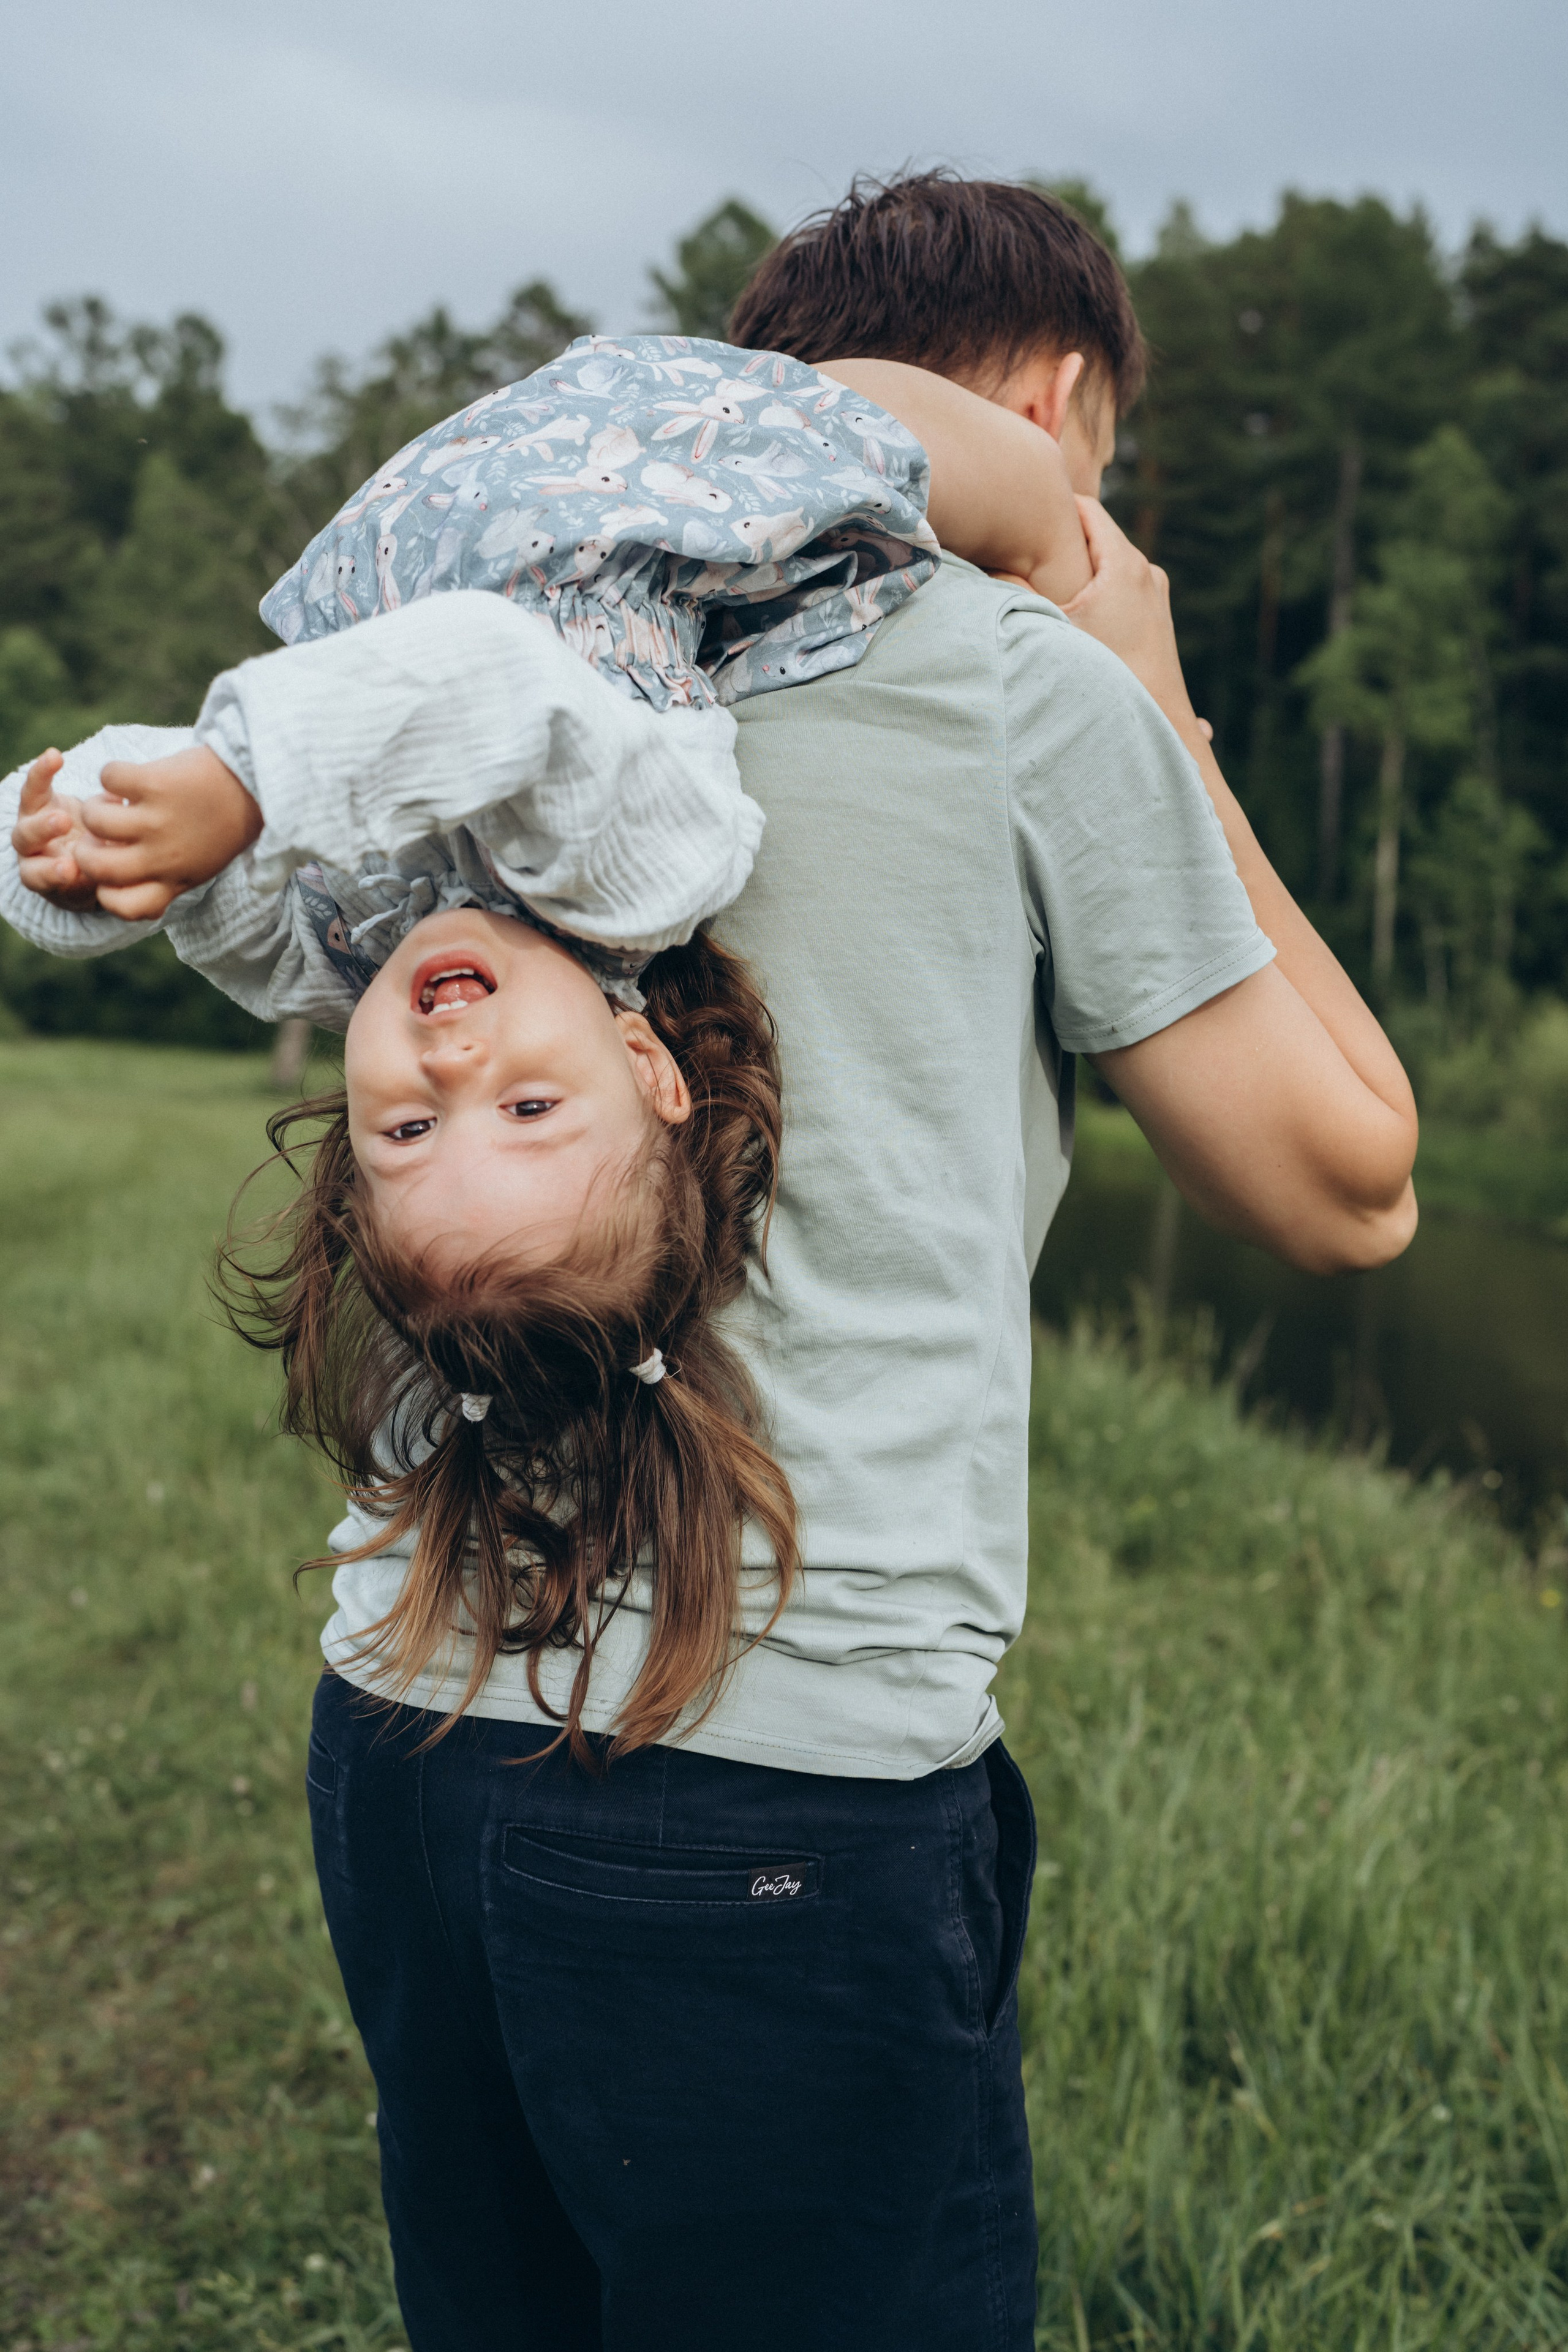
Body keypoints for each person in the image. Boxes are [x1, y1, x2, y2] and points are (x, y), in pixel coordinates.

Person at [3, 176, 1419, 2349]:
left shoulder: (514, 640)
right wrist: (1168, 709)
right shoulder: (1027, 682)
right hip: (782, 1777)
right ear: (1049, 406)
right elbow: (1351, 1189)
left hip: (400, 1725)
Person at [4, 336, 1099, 1759]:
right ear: (649, 1070)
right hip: (719, 447)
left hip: (459, 492)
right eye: (528, 1106)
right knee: (1045, 499)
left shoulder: (365, 958)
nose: (447, 1067)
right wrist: (242, 780)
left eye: (406, 1133)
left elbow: (215, 896)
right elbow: (487, 680)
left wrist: (80, 857)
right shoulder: (649, 864)